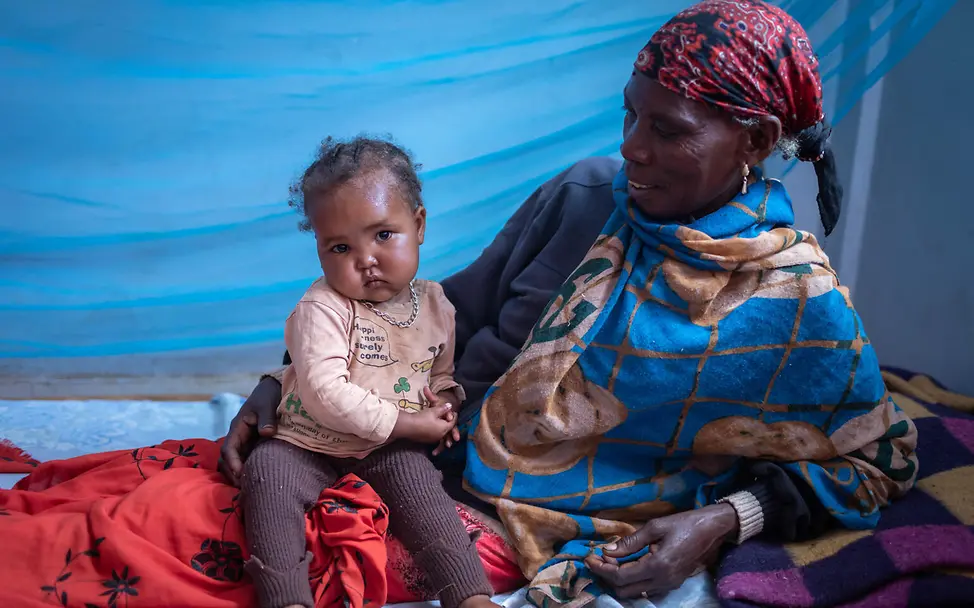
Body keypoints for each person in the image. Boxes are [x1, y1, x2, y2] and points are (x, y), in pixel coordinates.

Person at [222, 1, 918, 604]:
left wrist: (722, 521)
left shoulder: (795, 302)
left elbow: (876, 461)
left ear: (758, 140)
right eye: (630, 115)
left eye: (667, 129)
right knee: (195, 509)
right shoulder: (586, 196)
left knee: (199, 564)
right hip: (404, 439)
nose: (631, 148)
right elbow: (423, 313)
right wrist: (282, 382)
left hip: (501, 518)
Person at [240, 136, 495, 608]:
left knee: (424, 495)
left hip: (385, 446)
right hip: (306, 441)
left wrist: (446, 401)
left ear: (417, 226)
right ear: (319, 252)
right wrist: (410, 424)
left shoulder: (436, 304)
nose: (365, 260)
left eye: (383, 235)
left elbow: (438, 371)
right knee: (266, 479)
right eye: (339, 246)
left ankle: (469, 594)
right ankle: (286, 597)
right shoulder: (322, 309)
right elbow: (323, 392)